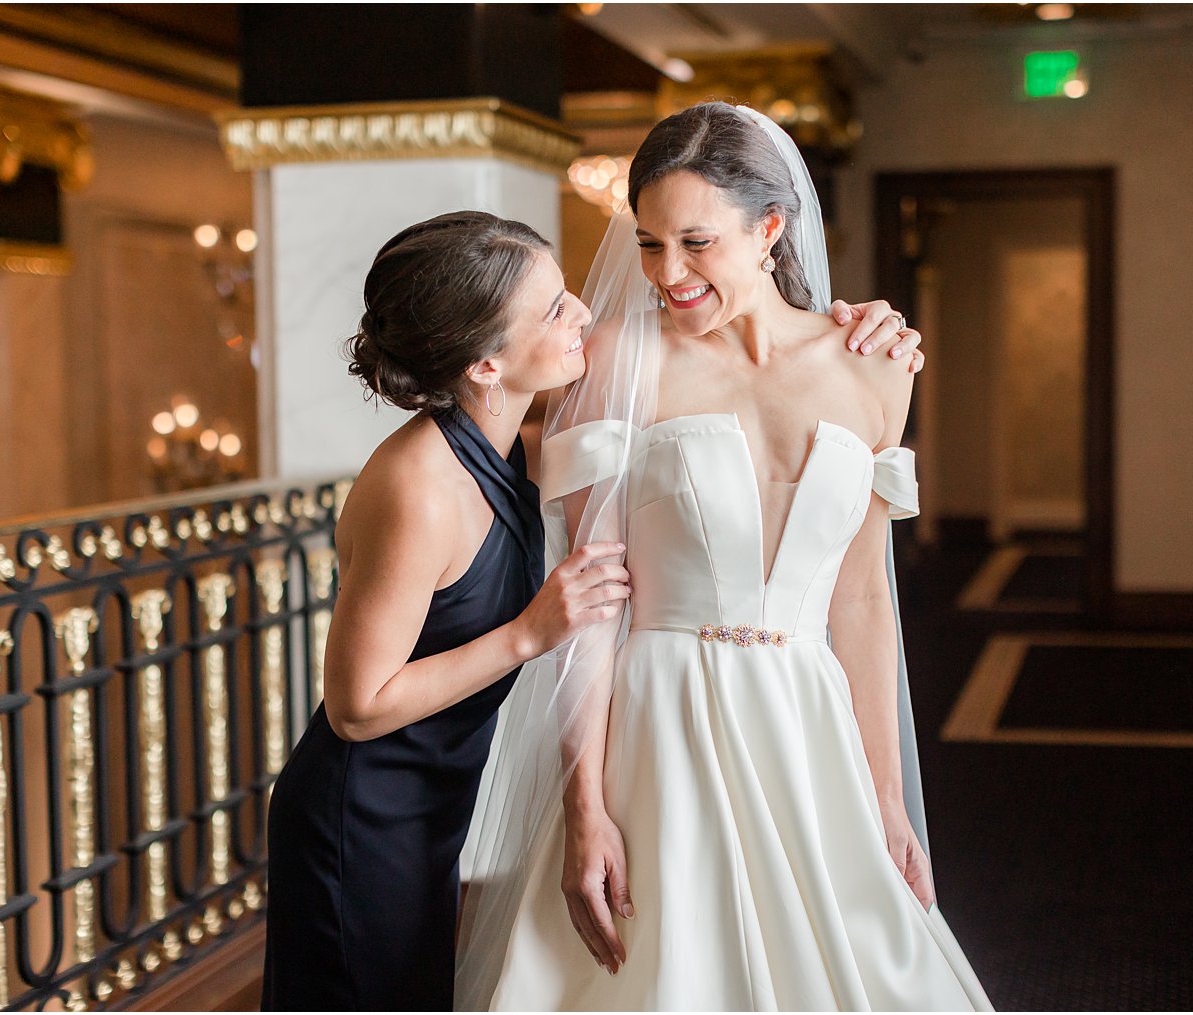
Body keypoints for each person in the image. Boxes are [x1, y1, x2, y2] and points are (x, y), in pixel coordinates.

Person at [261, 210, 921, 1011]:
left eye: (566, 292)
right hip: (362, 816)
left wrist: (858, 325)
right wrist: (529, 632)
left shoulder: (499, 441)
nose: (584, 312)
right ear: (485, 363)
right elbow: (358, 707)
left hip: (431, 799)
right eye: (552, 311)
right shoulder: (419, 486)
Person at [456, 104, 993, 1010]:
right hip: (658, 731)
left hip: (805, 725)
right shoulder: (617, 358)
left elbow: (860, 599)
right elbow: (593, 603)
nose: (666, 273)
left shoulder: (878, 365)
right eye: (651, 243)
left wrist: (888, 797)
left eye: (695, 242)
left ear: (770, 228)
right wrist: (586, 804)